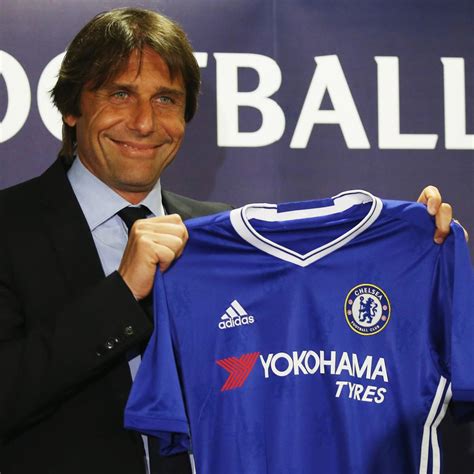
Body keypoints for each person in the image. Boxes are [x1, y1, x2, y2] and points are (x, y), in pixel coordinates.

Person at [0, 7, 463, 474]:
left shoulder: (222, 236)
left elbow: (302, 366)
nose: (144, 122)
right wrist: (120, 295)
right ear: (72, 107)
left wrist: (414, 247)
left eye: (165, 99)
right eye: (120, 94)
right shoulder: (9, 228)